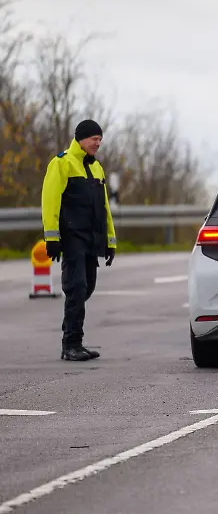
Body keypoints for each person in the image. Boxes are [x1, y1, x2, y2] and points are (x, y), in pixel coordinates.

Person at [40, 120, 117, 362]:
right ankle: (71, 343)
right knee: (77, 288)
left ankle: (73, 334)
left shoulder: (97, 168)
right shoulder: (62, 163)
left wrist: (110, 242)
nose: (98, 143)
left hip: (91, 240)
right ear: (81, 139)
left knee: (87, 287)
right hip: (71, 238)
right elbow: (49, 201)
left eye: (100, 139)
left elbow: (105, 207)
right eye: (94, 138)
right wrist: (51, 237)